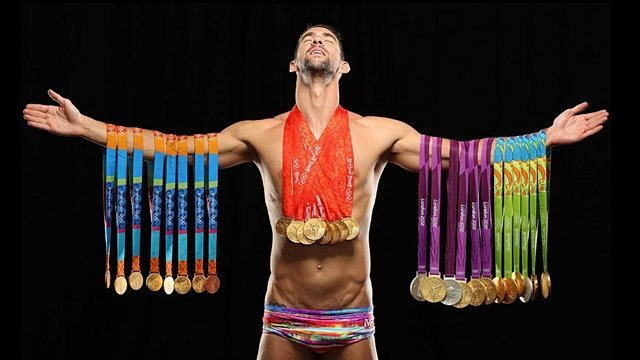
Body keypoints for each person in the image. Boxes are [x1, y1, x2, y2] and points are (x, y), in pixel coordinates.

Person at [22, 24, 608, 360]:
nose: (318, 39)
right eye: (309, 36)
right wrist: (91, 129)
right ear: (294, 64)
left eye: (328, 36)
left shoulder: (379, 133)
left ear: (345, 65)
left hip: (355, 317)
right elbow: (180, 149)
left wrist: (544, 140)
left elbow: (458, 156)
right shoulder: (260, 134)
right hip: (282, 318)